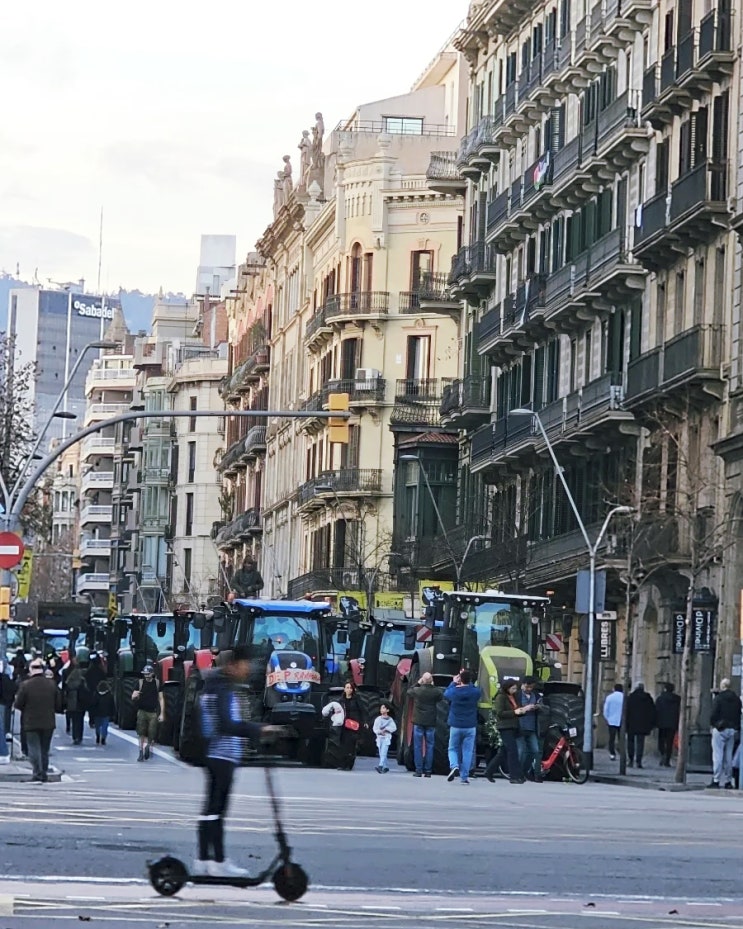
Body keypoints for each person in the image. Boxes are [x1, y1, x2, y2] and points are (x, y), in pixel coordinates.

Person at [195, 645, 284, 877]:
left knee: (211, 809)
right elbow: (227, 724)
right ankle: (217, 862)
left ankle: (204, 859)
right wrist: (259, 729)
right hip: (221, 754)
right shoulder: (222, 688)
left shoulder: (213, 685)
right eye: (245, 665)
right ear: (233, 665)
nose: (248, 669)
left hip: (215, 754)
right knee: (217, 809)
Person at [14, 658, 62, 782]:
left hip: (30, 721)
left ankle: (37, 772)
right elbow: (59, 704)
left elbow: (18, 704)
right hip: (48, 722)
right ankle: (43, 772)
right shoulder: (51, 684)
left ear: (31, 670)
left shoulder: (25, 685)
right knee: (44, 749)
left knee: (34, 748)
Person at [487, 679, 530, 784]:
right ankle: (514, 776)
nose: (515, 690)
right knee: (512, 751)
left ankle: (489, 771)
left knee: (504, 751)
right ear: (507, 688)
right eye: (513, 688)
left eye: (516, 688)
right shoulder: (501, 697)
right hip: (505, 727)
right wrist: (515, 712)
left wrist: (523, 710)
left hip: (514, 726)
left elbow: (517, 710)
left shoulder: (514, 697)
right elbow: (500, 713)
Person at [443, 669, 482, 784]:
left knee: (452, 748)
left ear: (460, 679)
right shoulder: (475, 692)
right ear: (470, 680)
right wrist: (467, 680)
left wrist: (453, 682)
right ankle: (464, 776)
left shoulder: (454, 691)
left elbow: (446, 694)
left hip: (455, 725)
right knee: (467, 751)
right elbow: (475, 689)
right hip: (470, 726)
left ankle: (454, 765)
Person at [406, 671, 444, 777]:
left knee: (418, 746)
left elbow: (409, 691)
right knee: (430, 746)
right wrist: (433, 685)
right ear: (432, 681)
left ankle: (418, 770)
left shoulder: (417, 690)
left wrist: (418, 683)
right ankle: (428, 771)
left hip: (418, 721)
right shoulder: (436, 691)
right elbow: (441, 697)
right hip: (430, 721)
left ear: (423, 680)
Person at [709, 678, 741, 789]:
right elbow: (738, 714)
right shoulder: (737, 699)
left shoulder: (718, 698)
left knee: (718, 755)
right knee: (729, 756)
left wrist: (714, 724)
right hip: (732, 729)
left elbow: (713, 714)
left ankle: (716, 779)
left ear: (722, 686)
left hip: (720, 728)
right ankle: (728, 781)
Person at [132, 664, 164, 761]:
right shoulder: (140, 683)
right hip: (142, 711)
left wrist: (162, 713)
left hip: (153, 712)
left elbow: (161, 699)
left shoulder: (157, 684)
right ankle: (140, 752)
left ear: (152, 674)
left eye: (148, 674)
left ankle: (148, 746)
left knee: (152, 733)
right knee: (141, 733)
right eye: (145, 674)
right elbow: (133, 696)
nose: (146, 675)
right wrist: (135, 696)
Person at [518, 676, 544, 782]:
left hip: (532, 727)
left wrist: (537, 707)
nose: (529, 689)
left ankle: (526, 771)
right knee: (521, 751)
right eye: (527, 687)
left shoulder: (536, 696)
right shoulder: (517, 695)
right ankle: (518, 772)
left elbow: (542, 705)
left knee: (535, 751)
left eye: (531, 687)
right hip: (520, 726)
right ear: (522, 685)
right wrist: (525, 708)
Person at [336, 681, 366, 770]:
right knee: (343, 745)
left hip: (353, 725)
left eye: (350, 688)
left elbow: (362, 711)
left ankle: (349, 764)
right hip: (343, 725)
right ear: (344, 689)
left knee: (351, 746)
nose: (349, 689)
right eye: (347, 688)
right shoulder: (341, 700)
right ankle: (342, 764)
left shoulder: (357, 700)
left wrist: (364, 722)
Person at [626, 682, 656, 768]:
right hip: (643, 724)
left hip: (631, 723)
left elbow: (626, 711)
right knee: (640, 742)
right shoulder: (648, 698)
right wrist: (651, 724)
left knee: (630, 742)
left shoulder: (630, 698)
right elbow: (652, 711)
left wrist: (625, 723)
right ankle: (639, 761)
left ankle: (631, 759)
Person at [64, 658, 90, 745]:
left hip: (72, 703)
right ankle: (79, 736)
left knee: (74, 720)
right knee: (80, 721)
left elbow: (66, 690)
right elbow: (86, 690)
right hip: (80, 703)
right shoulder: (82, 680)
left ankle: (75, 736)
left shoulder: (69, 681)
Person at [655, 682, 681, 767]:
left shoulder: (660, 699)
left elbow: (656, 710)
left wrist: (655, 722)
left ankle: (663, 754)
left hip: (661, 723)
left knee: (661, 740)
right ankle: (667, 759)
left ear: (665, 689)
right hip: (673, 723)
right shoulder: (677, 699)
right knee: (670, 742)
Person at [372, 703, 397, 774]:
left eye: (383, 708)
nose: (381, 709)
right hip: (379, 738)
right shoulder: (378, 719)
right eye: (381, 708)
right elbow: (375, 729)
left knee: (384, 752)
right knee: (381, 753)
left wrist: (386, 729)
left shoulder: (390, 720)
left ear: (387, 710)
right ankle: (385, 767)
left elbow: (394, 728)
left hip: (386, 738)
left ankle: (380, 766)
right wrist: (379, 732)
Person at [603, 683, 624, 760]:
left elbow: (606, 709)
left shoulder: (609, 697)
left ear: (614, 689)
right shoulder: (624, 697)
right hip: (622, 721)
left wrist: (607, 719)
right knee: (621, 738)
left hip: (611, 721)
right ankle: (621, 752)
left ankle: (612, 753)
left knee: (611, 738)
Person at [92, 680, 116, 746]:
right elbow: (112, 705)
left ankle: (98, 736)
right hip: (106, 713)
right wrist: (113, 714)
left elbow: (93, 705)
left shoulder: (96, 694)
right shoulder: (109, 695)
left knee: (97, 726)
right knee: (104, 727)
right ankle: (103, 738)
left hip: (97, 713)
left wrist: (92, 713)